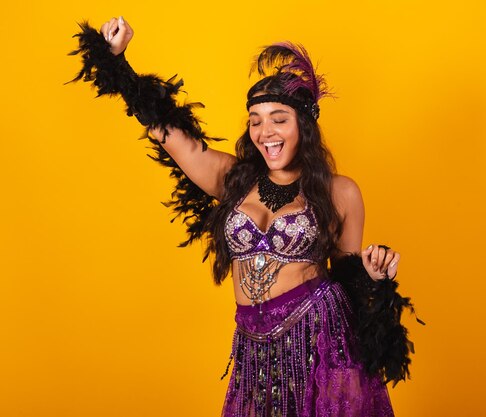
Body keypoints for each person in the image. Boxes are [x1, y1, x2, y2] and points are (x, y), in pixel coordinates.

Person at [69, 16, 422, 417]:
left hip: (320, 341)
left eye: (279, 119)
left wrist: (373, 275)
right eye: (256, 121)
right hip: (254, 350)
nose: (265, 131)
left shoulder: (340, 192)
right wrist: (117, 61)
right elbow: (169, 131)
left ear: (303, 126)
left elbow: (345, 274)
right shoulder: (234, 179)